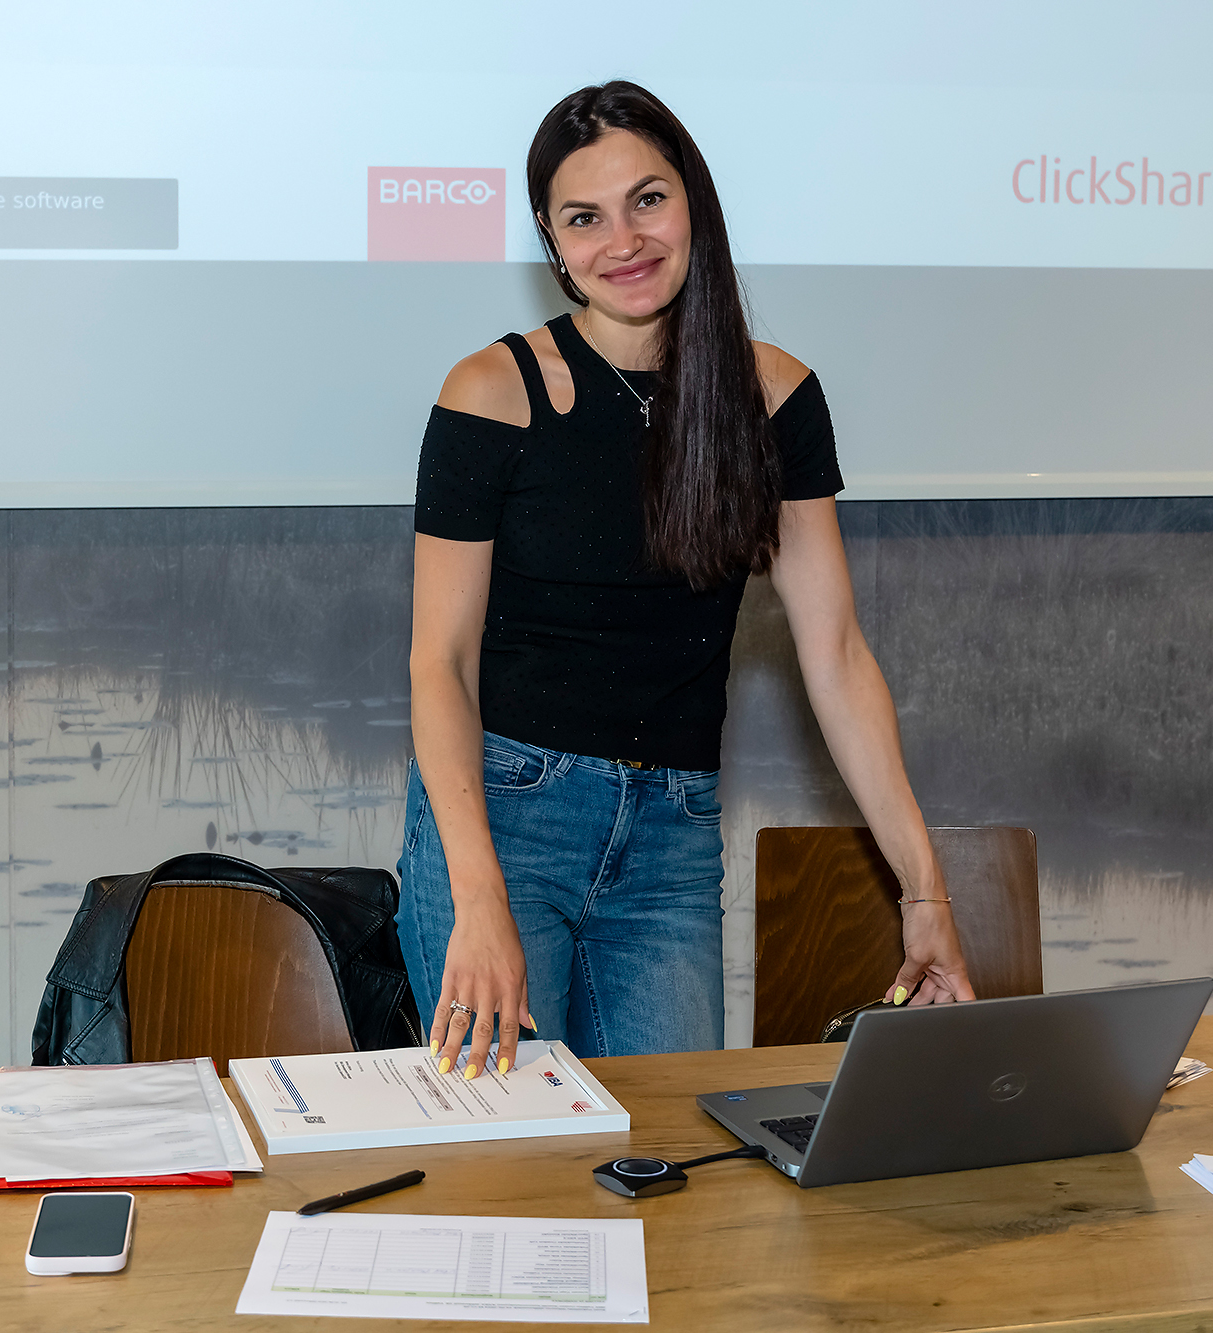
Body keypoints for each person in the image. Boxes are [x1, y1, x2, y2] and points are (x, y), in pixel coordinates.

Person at [398, 80, 974, 1081]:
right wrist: (477, 899)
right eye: (584, 217)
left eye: (648, 200)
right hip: (504, 822)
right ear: (552, 240)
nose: (622, 240)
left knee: (667, 1150)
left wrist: (925, 891)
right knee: (509, 1147)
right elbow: (438, 664)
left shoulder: (776, 397)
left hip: (673, 836)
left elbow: (836, 655)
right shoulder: (490, 393)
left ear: (692, 202)